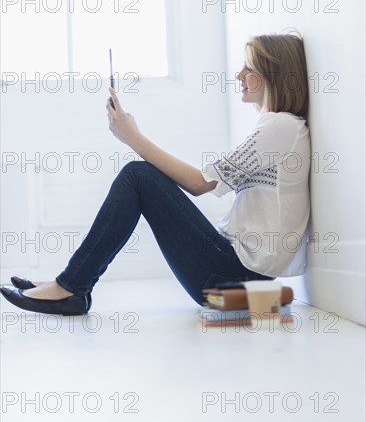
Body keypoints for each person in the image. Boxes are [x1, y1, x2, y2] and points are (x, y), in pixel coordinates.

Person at [0, 32, 310, 315]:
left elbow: (200, 183)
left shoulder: (281, 126)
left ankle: (70, 288)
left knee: (138, 176)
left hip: (234, 276)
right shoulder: (280, 127)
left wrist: (132, 137)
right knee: (140, 175)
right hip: (233, 272)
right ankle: (70, 284)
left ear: (274, 74)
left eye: (249, 68)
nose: (238, 75)